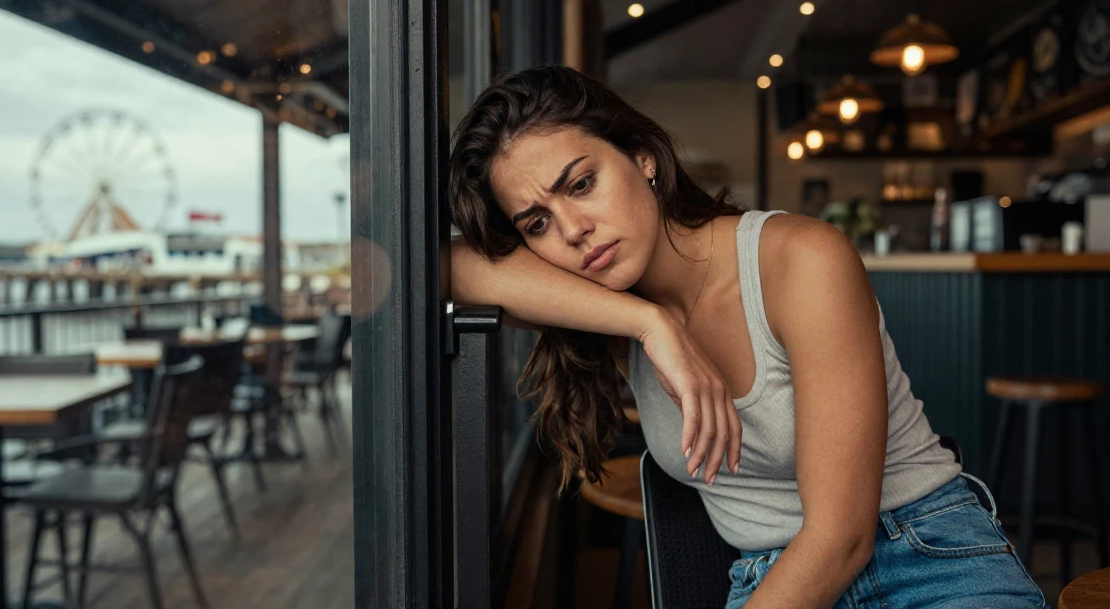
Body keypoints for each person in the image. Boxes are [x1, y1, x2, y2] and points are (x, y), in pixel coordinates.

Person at [447, 65, 1046, 609]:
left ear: (642, 157)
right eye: (537, 223)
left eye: (581, 184)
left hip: (925, 558)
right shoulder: (605, 307)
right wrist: (650, 324)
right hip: (769, 579)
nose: (574, 230)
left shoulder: (800, 260)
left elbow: (842, 539)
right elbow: (445, 268)